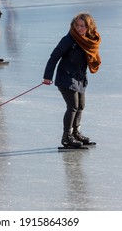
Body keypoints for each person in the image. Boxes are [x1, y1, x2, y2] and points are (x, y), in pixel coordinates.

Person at [42, 13, 101, 148]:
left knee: (80, 106)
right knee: (73, 107)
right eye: (77, 25)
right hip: (66, 78)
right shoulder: (68, 39)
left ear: (89, 27)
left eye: (82, 26)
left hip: (79, 78)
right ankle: (67, 137)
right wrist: (47, 76)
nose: (79, 28)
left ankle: (76, 133)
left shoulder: (88, 40)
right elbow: (54, 57)